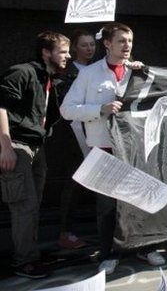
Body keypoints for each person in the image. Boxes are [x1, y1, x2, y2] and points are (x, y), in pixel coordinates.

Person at [61, 22, 165, 275]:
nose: (127, 45)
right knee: (107, 206)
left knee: (139, 199)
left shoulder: (139, 71)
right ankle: (109, 253)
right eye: (121, 40)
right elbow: (66, 110)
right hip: (104, 148)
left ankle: (145, 247)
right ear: (107, 43)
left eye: (129, 40)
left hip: (135, 148)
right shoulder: (89, 74)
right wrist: (99, 110)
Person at [0, 31, 70, 278]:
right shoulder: (22, 72)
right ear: (46, 52)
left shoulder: (48, 79)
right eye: (63, 51)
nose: (68, 56)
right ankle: (24, 262)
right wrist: (5, 146)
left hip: (36, 147)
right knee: (24, 207)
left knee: (33, 205)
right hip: (17, 146)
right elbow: (1, 105)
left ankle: (31, 255)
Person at [51, 31, 97, 251]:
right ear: (75, 49)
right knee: (75, 180)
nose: (89, 49)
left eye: (92, 45)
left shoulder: (99, 68)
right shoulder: (66, 73)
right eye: (84, 45)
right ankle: (65, 231)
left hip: (98, 131)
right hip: (74, 135)